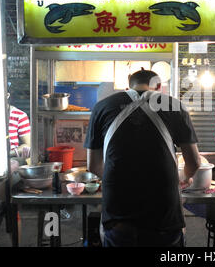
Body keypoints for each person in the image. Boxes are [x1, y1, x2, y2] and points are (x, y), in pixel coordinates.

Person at [85, 69, 200, 247]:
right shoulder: (174, 106)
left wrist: (119, 179)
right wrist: (183, 179)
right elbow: (194, 162)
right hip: (163, 214)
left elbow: (93, 165)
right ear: (159, 87)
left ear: (128, 86)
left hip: (118, 211)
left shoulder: (101, 107)